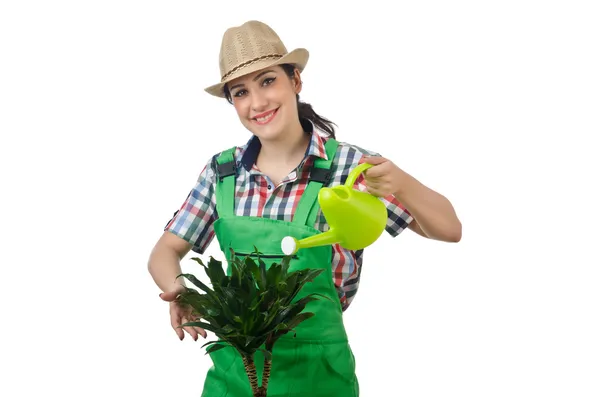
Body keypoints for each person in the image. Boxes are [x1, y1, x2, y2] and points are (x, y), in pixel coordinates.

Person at [147, 20, 462, 397]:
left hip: (318, 379)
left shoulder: (351, 169)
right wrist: (180, 289)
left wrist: (404, 184)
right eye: (241, 92)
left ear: (295, 80)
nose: (257, 103)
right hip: (234, 377)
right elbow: (164, 252)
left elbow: (449, 229)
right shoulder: (223, 172)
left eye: (267, 81)